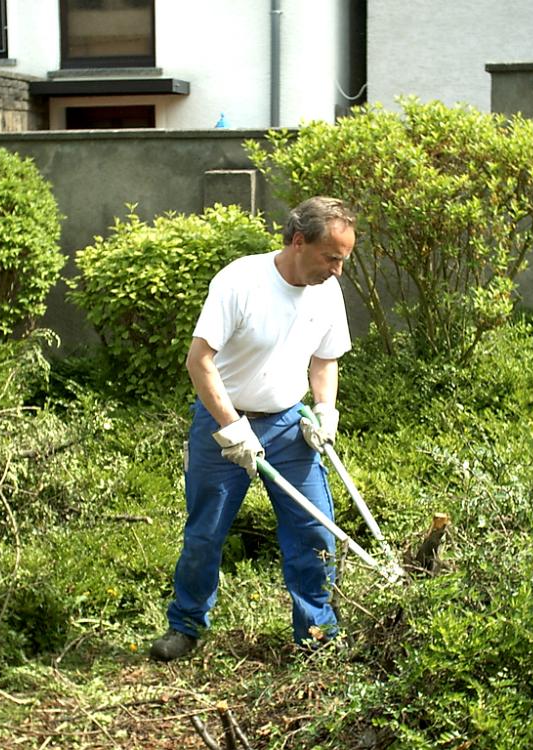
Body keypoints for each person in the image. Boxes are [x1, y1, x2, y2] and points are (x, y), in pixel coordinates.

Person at [149, 196, 357, 662]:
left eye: (344, 260)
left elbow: (324, 358)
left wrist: (325, 410)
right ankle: (185, 626)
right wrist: (232, 429)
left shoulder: (327, 290)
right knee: (205, 533)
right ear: (299, 241)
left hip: (288, 424)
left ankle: (317, 635)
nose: (338, 271)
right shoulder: (241, 280)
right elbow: (198, 361)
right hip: (222, 425)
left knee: (314, 531)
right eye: (332, 258)